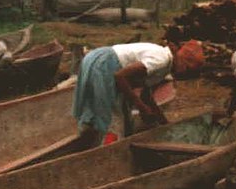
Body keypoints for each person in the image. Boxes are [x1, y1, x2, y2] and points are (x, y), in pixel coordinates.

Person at [71, 40, 205, 149]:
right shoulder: (161, 60)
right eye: (186, 70)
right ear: (184, 63)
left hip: (96, 59)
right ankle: (105, 153)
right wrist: (141, 107)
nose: (183, 74)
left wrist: (164, 124)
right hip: (103, 65)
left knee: (104, 115)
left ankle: (88, 145)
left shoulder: (164, 65)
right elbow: (120, 76)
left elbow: (147, 96)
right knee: (113, 120)